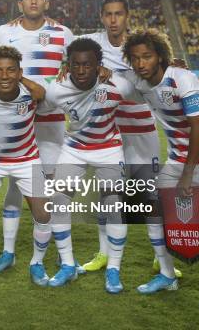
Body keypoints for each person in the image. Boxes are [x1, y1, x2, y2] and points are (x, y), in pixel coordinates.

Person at [123, 29, 199, 310]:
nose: (140, 63)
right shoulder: (139, 80)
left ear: (160, 56)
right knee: (153, 212)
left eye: (147, 56)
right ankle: (167, 274)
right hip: (178, 157)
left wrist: (187, 174)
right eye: (135, 58)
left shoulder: (182, 79)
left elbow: (198, 126)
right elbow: (112, 75)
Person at [76, 0, 181, 278]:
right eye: (108, 14)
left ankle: (162, 259)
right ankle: (103, 253)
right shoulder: (91, 44)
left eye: (118, 14)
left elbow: (161, 75)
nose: (113, 20)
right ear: (101, 16)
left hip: (143, 131)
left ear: (127, 16)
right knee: (107, 196)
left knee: (151, 198)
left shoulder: (140, 47)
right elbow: (65, 51)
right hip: (110, 134)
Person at [0, 0, 74, 274]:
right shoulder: (3, 32)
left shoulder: (62, 32)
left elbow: (79, 63)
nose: (33, 1)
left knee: (54, 189)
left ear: (46, 3)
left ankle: (59, 249)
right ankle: (8, 252)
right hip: (14, 119)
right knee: (16, 187)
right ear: (20, 4)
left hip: (51, 120)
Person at [0, 46, 77, 287]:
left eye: (11, 71)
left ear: (20, 72)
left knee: (44, 214)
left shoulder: (30, 93)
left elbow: (44, 89)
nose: (4, 76)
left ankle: (36, 263)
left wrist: (23, 79)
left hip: (27, 160)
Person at [38, 38, 137, 293]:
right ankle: (68, 265)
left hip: (109, 149)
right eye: (76, 65)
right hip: (75, 149)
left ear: (98, 66)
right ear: (68, 65)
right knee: (58, 201)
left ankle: (113, 269)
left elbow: (151, 86)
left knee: (114, 205)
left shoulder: (119, 86)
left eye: (88, 65)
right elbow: (39, 105)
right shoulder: (56, 89)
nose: (81, 71)